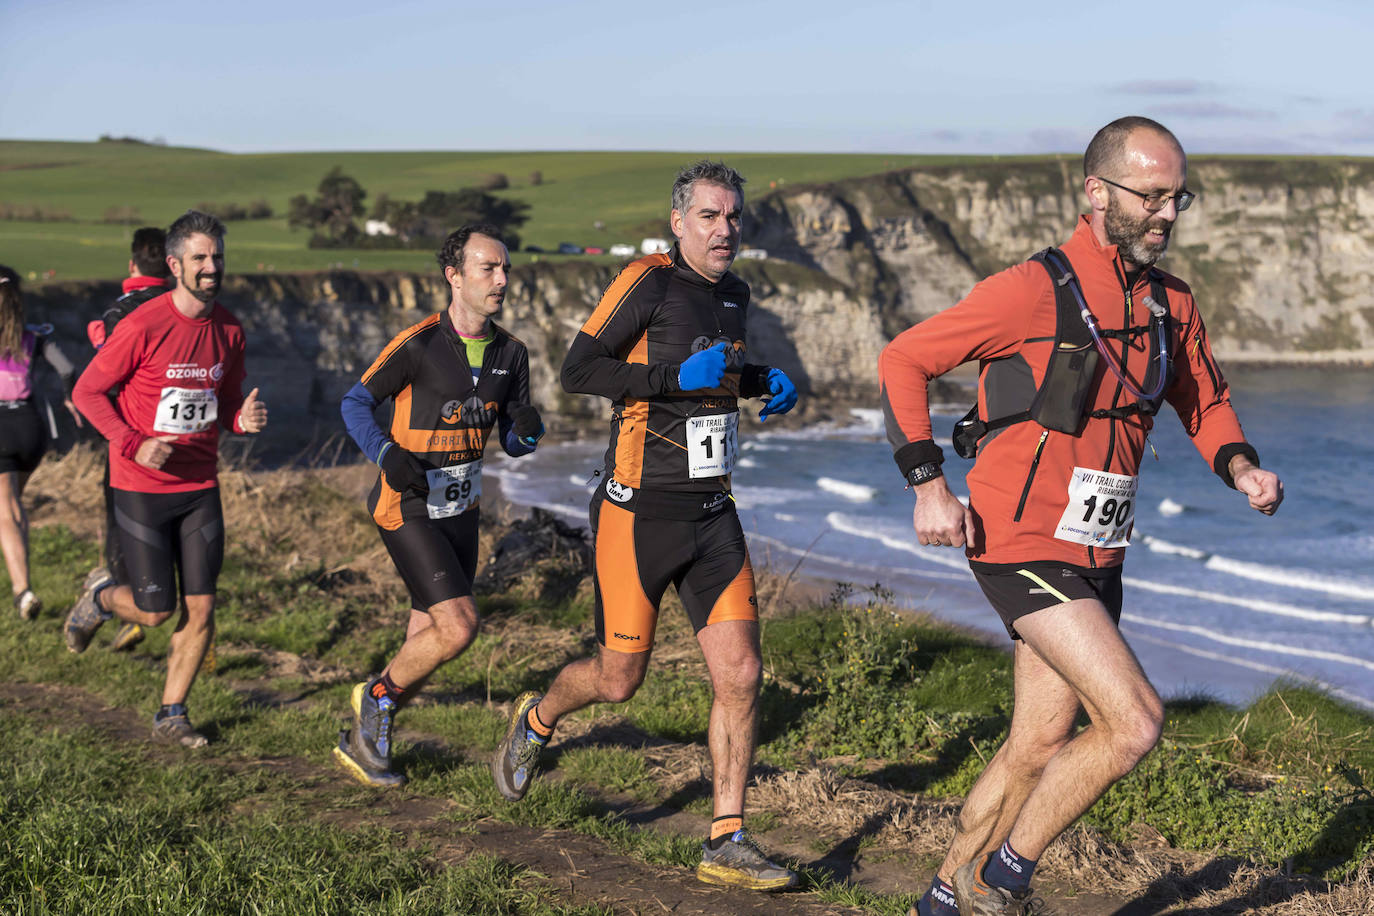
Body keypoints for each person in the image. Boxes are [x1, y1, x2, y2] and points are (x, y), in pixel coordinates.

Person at [878, 117, 1284, 916]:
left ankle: (941, 898)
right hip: (1020, 539)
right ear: (1096, 191)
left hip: (1099, 551)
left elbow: (1203, 398)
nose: (1166, 214)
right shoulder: (1032, 288)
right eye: (1151, 195)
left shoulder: (1172, 303)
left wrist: (1240, 466)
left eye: (1178, 198)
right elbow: (904, 358)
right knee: (1133, 722)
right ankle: (1002, 883)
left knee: (1035, 746)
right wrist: (927, 483)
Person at [490, 161, 801, 892]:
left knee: (742, 673)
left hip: (713, 515)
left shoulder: (735, 293)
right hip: (636, 515)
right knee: (618, 679)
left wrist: (757, 380)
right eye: (709, 217)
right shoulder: (648, 282)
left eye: (733, 218)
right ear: (678, 221)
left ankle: (727, 838)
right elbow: (578, 369)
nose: (724, 230)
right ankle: (537, 720)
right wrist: (670, 383)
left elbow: (714, 368)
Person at [333, 224, 545, 788]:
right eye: (487, 269)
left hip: (463, 512)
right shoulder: (419, 344)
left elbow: (513, 442)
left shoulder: (512, 354)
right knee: (459, 627)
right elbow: (355, 403)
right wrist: (385, 454)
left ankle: (366, 740)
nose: (501, 280)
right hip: (408, 504)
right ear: (454, 276)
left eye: (505, 269)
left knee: (425, 636)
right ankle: (374, 699)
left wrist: (527, 432)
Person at [68, 209, 268, 748]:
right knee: (156, 610)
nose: (211, 267)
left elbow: (223, 403)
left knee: (202, 605)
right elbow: (86, 393)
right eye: (200, 258)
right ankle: (104, 599)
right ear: (175, 263)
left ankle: (172, 713)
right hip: (141, 487)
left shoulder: (228, 327)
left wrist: (239, 420)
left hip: (200, 487)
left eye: (217, 257)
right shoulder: (143, 324)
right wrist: (134, 442)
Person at [85, 226, 174, 652]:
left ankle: (119, 597)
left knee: (121, 525)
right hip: (184, 444)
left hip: (132, 440)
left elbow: (101, 373)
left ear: (132, 264)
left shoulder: (119, 312)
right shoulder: (184, 308)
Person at [0, 265, 81, 619]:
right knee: (14, 507)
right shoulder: (35, 337)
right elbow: (66, 368)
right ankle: (23, 583)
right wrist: (69, 398)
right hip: (31, 428)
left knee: (5, 510)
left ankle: (22, 590)